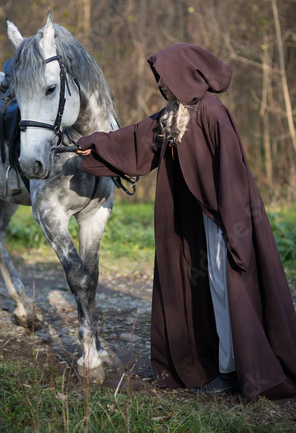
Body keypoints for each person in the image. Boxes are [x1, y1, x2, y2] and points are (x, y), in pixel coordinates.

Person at [77, 43, 296, 400]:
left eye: (164, 77)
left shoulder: (211, 111)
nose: (161, 84)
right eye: (159, 79)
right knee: (210, 286)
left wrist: (235, 230)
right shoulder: (176, 114)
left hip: (226, 216)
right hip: (200, 219)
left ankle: (235, 370)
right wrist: (95, 144)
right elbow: (136, 139)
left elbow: (231, 172)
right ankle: (220, 365)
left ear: (184, 74)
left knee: (227, 288)